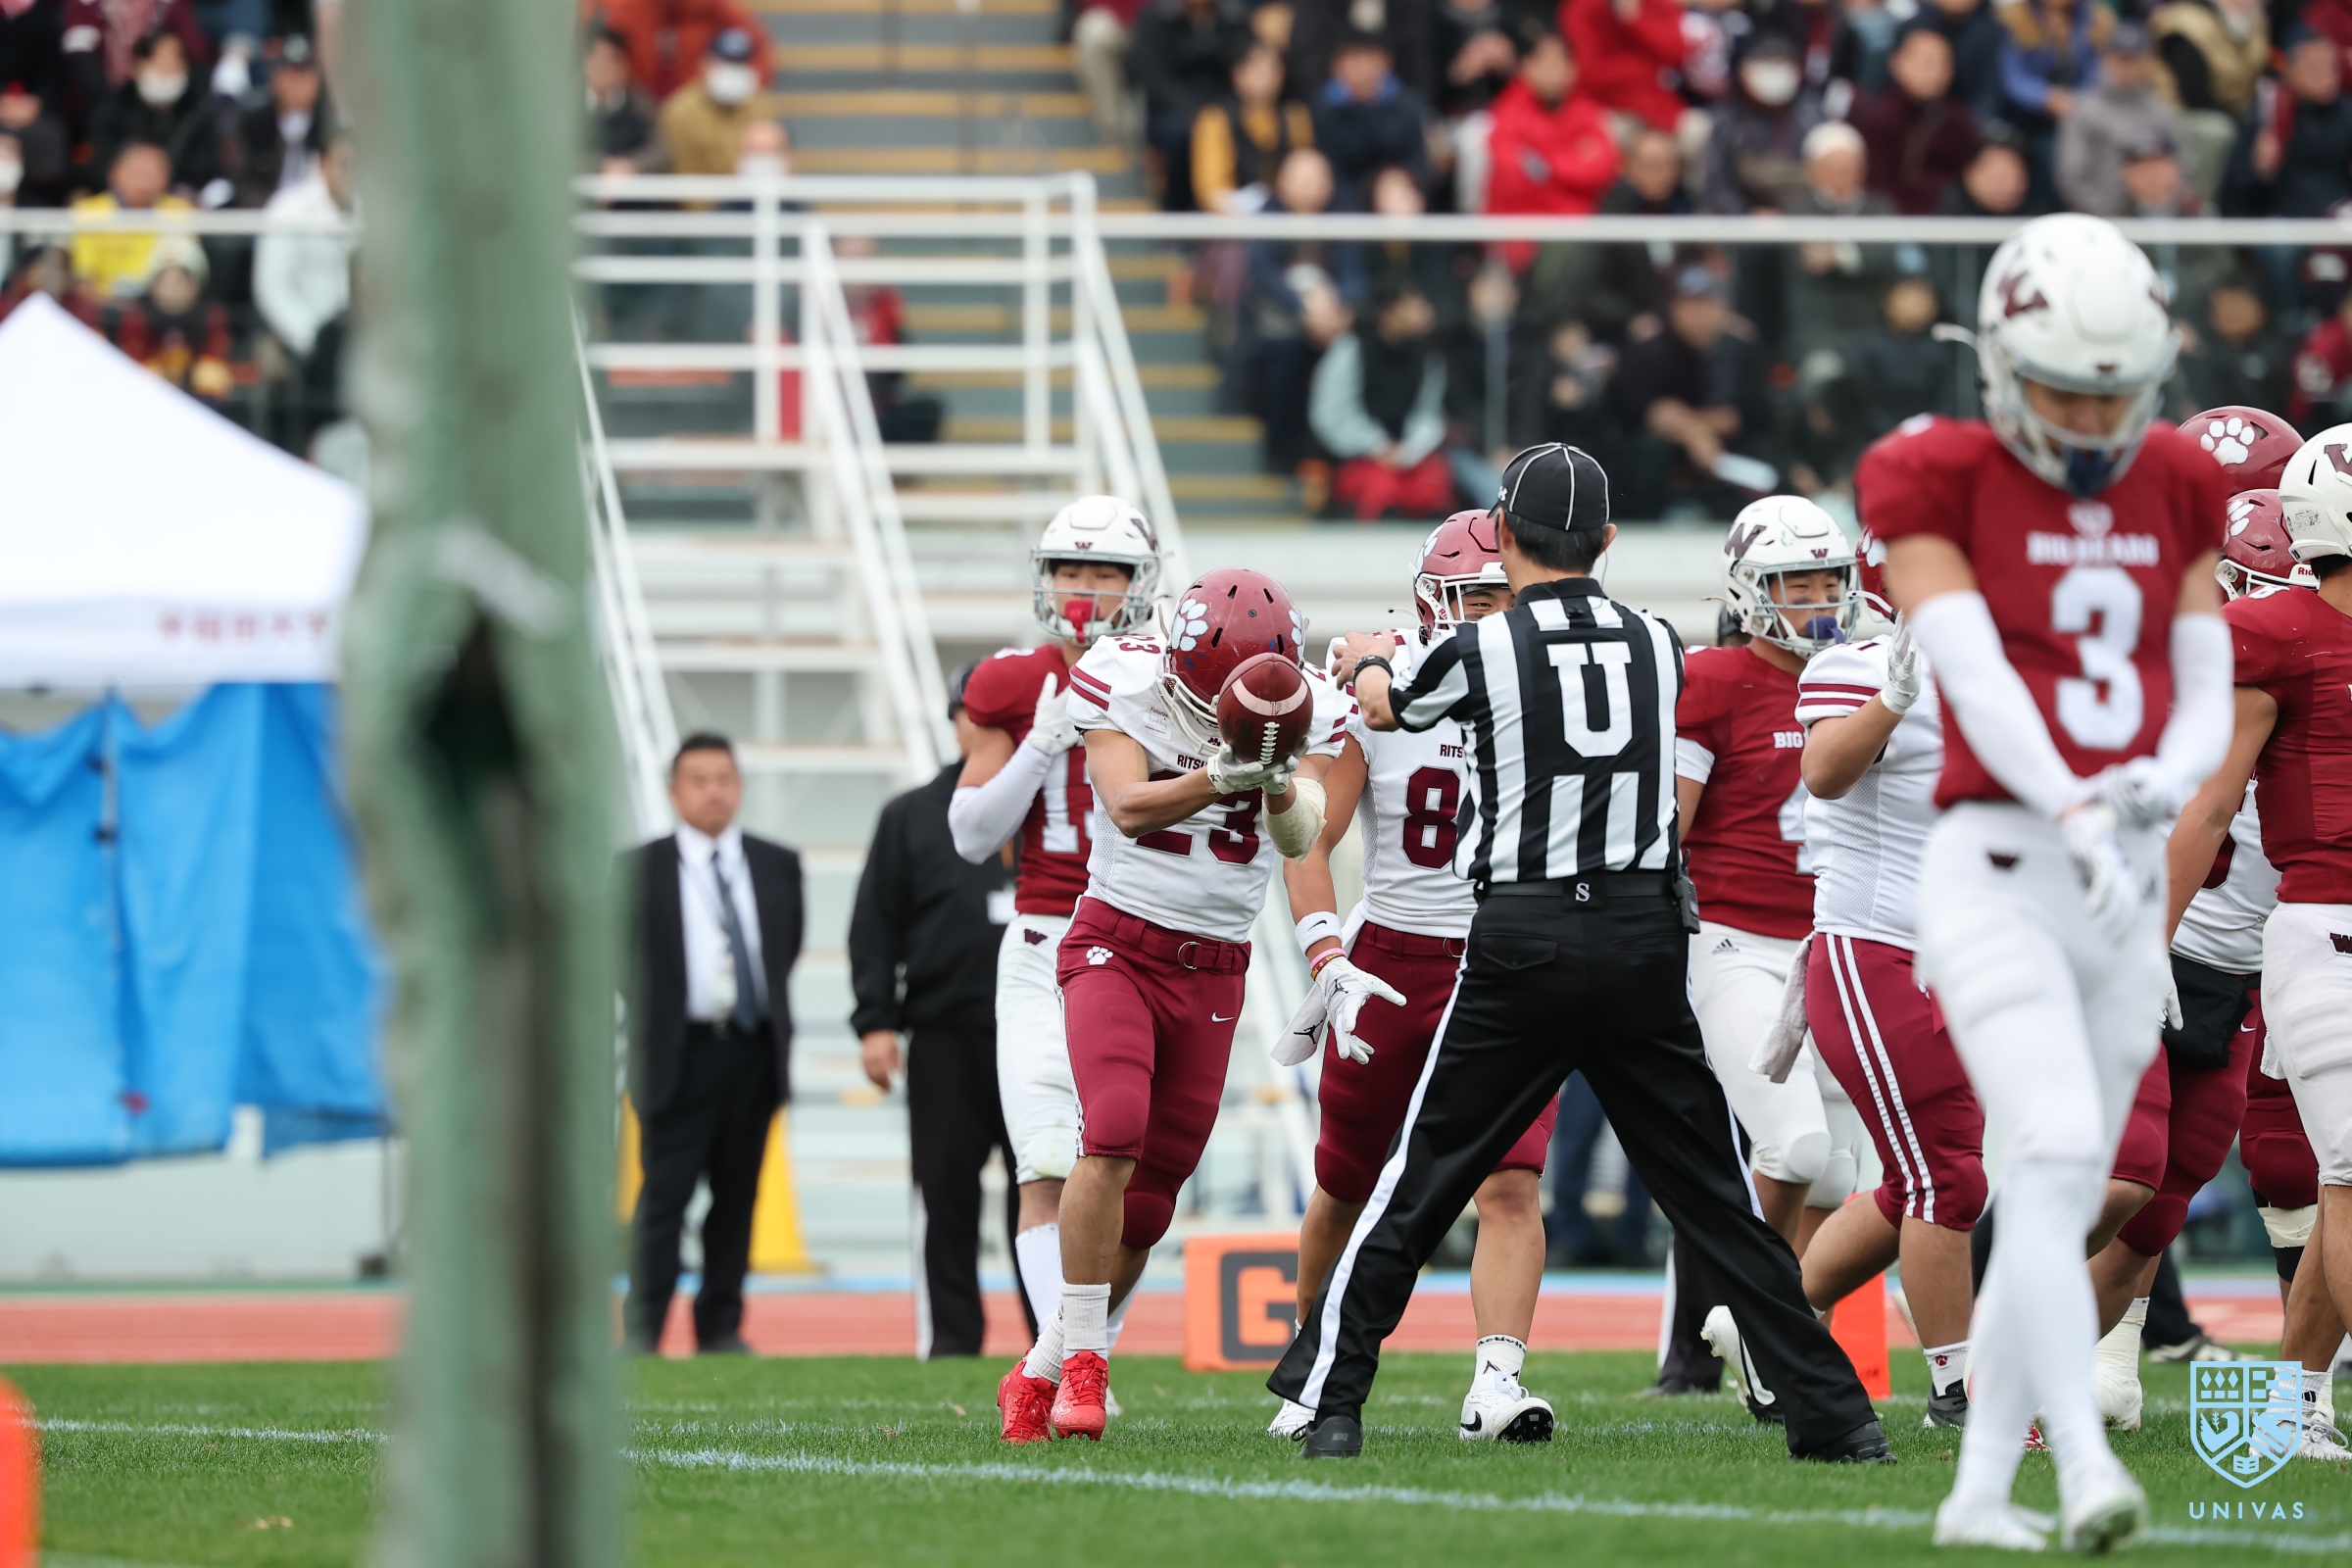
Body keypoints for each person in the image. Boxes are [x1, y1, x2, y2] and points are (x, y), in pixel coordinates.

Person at [1274, 442, 1888, 1464]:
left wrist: (1369, 659)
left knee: (1419, 1182)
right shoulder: (1658, 641)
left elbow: (1388, 707)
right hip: (1643, 939)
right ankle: (1836, 1417)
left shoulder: (1485, 645)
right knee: (1719, 1200)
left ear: (1502, 534)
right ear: (1606, 539)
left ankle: (1332, 1401)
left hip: (1524, 935)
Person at [1856, 212, 2233, 1550]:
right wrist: (2071, 795)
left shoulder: (2175, 476)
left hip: (2118, 877)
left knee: (2066, 1189)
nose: (2088, 419)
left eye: (2109, 392)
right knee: (2060, 1148)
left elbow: (2202, 680)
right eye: (2064, 389)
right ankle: (2078, 1465)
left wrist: (2154, 783)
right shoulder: (1933, 470)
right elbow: (1971, 669)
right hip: (2001, 863)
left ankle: (1975, 1497)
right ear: (2004, 366)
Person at [998, 567, 1346, 1444]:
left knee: (1152, 1203)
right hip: (1116, 943)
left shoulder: (1307, 706)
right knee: (1111, 1130)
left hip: (1215, 966)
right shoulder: (1127, 675)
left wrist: (1275, 775)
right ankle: (1088, 1363)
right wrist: (1224, 771)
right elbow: (1126, 807)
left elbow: (1301, 836)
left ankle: (1041, 1366)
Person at [1268, 513, 1562, 1446]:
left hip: (1508, 957)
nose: (1492, 615)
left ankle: (1497, 1383)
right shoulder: (1380, 688)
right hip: (1395, 959)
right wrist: (1329, 957)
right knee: (1346, 1180)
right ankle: (1313, 1368)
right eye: (1475, 599)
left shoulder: (1554, 684)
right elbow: (1308, 839)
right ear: (1433, 603)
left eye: (1505, 597)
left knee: (1510, 1184)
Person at [1651, 495, 1867, 1401]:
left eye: (1827, 580)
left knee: (1843, 1177)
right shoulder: (1712, 681)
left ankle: (1781, 1349)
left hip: (1835, 945)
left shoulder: (1860, 674)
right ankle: (1757, 1317)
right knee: (1798, 1149)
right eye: (1794, 583)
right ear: (1748, 590)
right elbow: (1669, 831)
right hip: (1735, 941)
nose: (1817, 599)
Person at [2166, 431, 2352, 1459]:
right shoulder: (2271, 635)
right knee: (2347, 1174)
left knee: (2337, 1185)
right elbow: (2206, 809)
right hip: (2327, 930)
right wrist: (2147, 948)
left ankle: (2293, 1409)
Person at [951, 497, 1162, 1380]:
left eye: (1103, 571)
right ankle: (1077, 1370)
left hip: (1143, 943)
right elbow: (970, 835)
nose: (1082, 588)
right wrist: (1040, 743)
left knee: (1131, 1177)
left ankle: (1068, 1359)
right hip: (1046, 938)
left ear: (1137, 584)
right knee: (1044, 1167)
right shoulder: (1012, 683)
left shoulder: (1168, 677)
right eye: (1069, 570)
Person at [1783, 565, 1980, 1430]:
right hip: (1877, 951)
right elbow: (1824, 771)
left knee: (1918, 1183)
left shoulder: (2001, 667)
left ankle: (1768, 1322)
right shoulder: (1858, 662)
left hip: (1963, 958)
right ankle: (1956, 1394)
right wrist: (1894, 698)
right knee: (1946, 1179)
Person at [849, 667, 1021, 1360]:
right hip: (945, 1031)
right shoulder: (913, 814)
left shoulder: (1054, 803)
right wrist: (875, 1021)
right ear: (955, 722)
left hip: (1039, 1029)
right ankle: (950, 1343)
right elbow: (874, 924)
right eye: (974, 713)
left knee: (1044, 1188)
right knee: (944, 1190)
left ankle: (1055, 1345)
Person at [620, 733, 806, 1355]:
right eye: (698, 781)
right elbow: (622, 960)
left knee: (737, 1197)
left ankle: (720, 1326)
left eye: (724, 779)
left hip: (752, 1051)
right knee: (663, 1198)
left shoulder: (777, 864)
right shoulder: (638, 870)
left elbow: (785, 947)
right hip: (677, 1054)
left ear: (740, 786)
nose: (713, 792)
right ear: (674, 791)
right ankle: (643, 1328)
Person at [1606, 265, 1770, 521]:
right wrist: (1696, 434)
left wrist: (1693, 427)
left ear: (1723, 309)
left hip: (1729, 455)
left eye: (1706, 304)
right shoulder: (1651, 352)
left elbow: (1742, 416)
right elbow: (1655, 414)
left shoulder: (1741, 352)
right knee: (1646, 453)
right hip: (1668, 455)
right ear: (1673, 309)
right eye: (1689, 305)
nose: (1698, 315)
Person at [1310, 277, 1455, 522]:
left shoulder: (1428, 356)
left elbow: (1429, 411)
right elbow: (1331, 414)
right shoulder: (1351, 349)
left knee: (1434, 482)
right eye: (1414, 306)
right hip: (1358, 456)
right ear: (1389, 313)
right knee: (1380, 489)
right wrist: (1377, 445)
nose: (1425, 313)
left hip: (1409, 456)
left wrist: (1411, 448)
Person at [1481, 27, 1616, 273]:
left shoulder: (1587, 111)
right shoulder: (1507, 113)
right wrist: (1571, 162)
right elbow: (1511, 175)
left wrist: (1545, 164)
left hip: (1578, 225)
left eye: (1559, 63)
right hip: (1519, 230)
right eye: (1543, 63)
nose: (1552, 72)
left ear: (1573, 69)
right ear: (1526, 67)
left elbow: (1602, 168)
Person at [254, 132, 355, 453]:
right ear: (323, 164)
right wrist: (315, 339)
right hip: (304, 340)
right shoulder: (289, 208)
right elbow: (272, 288)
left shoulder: (376, 209)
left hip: (362, 338)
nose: (353, 173)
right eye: (345, 164)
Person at [1132, 0, 1251, 211]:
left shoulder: (1234, 16)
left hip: (1225, 107)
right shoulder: (1156, 17)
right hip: (1171, 111)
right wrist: (1195, 111)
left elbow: (1243, 63)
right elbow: (1152, 77)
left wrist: (1220, 110)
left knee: (1251, 124)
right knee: (1184, 133)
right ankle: (1177, 211)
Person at [2055, 23, 2181, 218]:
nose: (2128, 67)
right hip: (2101, 216)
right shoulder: (2084, 112)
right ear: (2105, 60)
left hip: (2160, 217)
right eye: (2122, 59)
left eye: (2135, 60)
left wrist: (2166, 198)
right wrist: (2106, 212)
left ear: (2147, 61)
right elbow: (2070, 176)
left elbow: (2186, 167)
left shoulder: (2161, 111)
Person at [1854, 24, 1981, 217]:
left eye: (1945, 64)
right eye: (1927, 63)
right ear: (1897, 62)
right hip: (1892, 221)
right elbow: (1877, 188)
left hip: (1951, 221)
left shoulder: (1958, 119)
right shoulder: (1879, 118)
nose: (1937, 73)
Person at [87, 28, 219, 200]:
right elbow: (98, 161)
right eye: (160, 61)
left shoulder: (200, 113)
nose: (168, 70)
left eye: (175, 62)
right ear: (137, 66)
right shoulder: (112, 110)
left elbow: (209, 165)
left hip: (181, 203)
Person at [1701, 34, 1825, 214]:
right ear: (1742, 70)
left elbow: (1832, 183)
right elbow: (1716, 186)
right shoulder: (1728, 120)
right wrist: (1746, 213)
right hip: (1743, 222)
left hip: (1804, 217)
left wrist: (1796, 215)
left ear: (1799, 70)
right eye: (1764, 63)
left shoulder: (1813, 115)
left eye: (1781, 63)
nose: (1773, 73)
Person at [1312, 28, 1431, 211]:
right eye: (1354, 59)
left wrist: (1396, 182)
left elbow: (1420, 165)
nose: (1362, 67)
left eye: (1370, 58)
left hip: (1395, 199)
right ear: (1336, 66)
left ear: (1386, 63)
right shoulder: (1323, 109)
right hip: (1339, 201)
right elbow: (1330, 168)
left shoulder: (1408, 107)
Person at [1190, 41, 1312, 217]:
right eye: (1256, 69)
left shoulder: (1295, 117)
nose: (1265, 76)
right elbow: (1210, 189)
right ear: (1237, 74)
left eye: (1272, 69)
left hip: (1283, 216)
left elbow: (1305, 171)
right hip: (1230, 218)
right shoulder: (1215, 118)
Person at [69, 140, 190, 302]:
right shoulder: (88, 212)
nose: (144, 180)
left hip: (159, 306)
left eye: (151, 172)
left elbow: (184, 272)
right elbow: (84, 277)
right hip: (104, 305)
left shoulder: (180, 212)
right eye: (137, 172)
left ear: (167, 176)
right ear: (114, 173)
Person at [224, 31, 328, 207]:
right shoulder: (254, 125)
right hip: (265, 212)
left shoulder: (329, 127)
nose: (297, 83)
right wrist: (276, 210)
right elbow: (242, 180)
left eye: (304, 73)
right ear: (275, 78)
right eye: (290, 73)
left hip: (320, 212)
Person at [602, 0, 771, 102]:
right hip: (642, 104)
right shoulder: (630, 9)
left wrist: (734, 89)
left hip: (699, 105)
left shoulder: (713, 8)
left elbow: (759, 51)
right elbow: (605, 52)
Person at [1559, 0, 1688, 132]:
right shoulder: (1582, 9)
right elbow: (1590, 71)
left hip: (1671, 102)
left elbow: (1676, 52)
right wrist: (1642, 69)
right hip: (1611, 107)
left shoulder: (1656, 4)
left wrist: (1635, 19)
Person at [656, 24, 766, 176]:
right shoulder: (680, 112)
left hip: (749, 190)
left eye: (739, 64)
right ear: (705, 64)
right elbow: (681, 172)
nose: (732, 71)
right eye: (724, 64)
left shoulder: (761, 106)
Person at [2177, 274, 2292, 417]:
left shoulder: (2275, 349)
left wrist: (2199, 353)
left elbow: (2259, 406)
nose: (2229, 314)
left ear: (2259, 305)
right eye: (2220, 307)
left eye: (2237, 306)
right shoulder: (2207, 345)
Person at [584, 24, 665, 174]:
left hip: (631, 183)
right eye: (595, 56)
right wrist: (600, 165)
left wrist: (632, 165)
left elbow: (661, 148)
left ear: (623, 66)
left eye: (611, 59)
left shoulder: (640, 103)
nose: (602, 66)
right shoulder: (568, 105)